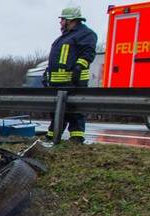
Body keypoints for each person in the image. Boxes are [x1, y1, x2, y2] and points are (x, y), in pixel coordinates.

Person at [44, 6, 97, 144]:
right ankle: (52, 137)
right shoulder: (64, 37)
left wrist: (78, 68)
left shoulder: (86, 34)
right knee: (57, 111)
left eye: (62, 20)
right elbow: (56, 58)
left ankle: (76, 138)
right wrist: (47, 73)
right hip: (57, 82)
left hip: (73, 82)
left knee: (74, 111)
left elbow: (88, 53)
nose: (60, 23)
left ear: (71, 20)